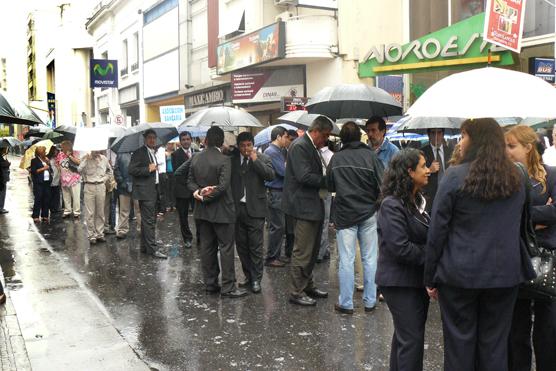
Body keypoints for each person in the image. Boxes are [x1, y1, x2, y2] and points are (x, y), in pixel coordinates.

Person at [425, 118, 535, 371]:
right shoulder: (517, 177)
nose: (460, 142)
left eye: (464, 136)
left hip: (459, 274)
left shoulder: (454, 176)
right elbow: (522, 226)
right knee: (495, 346)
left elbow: (437, 231)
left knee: (459, 345)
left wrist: (430, 276)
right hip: (505, 274)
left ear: (475, 141)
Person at [505, 125, 556, 371]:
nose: (506, 151)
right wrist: (537, 215)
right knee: (517, 333)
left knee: (548, 332)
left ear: (528, 147)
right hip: (516, 260)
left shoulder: (552, 174)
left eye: (511, 145)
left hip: (547, 259)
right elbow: (504, 215)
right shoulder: (506, 179)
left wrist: (525, 215)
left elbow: (555, 212)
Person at [376, 148, 431, 370]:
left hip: (413, 281)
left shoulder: (417, 201)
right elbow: (400, 248)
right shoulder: (392, 204)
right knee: (412, 341)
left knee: (404, 337)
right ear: (409, 171)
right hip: (399, 283)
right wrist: (431, 253)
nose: (428, 171)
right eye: (423, 166)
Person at [328, 122, 384, 314]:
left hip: (345, 215)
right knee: (370, 258)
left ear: (342, 138)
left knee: (346, 259)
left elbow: (330, 185)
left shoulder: (336, 158)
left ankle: (346, 303)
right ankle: (370, 301)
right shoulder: (370, 156)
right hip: (368, 213)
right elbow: (382, 183)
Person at [187, 126, 247, 298]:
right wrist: (207, 195)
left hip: (202, 212)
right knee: (227, 248)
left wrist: (199, 193)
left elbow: (189, 181)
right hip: (223, 212)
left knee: (207, 248)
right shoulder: (224, 160)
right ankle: (228, 287)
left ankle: (210, 283)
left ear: (206, 140)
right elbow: (222, 186)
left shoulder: (196, 157)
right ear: (221, 141)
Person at [283, 116, 333, 306]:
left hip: (312, 204)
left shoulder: (311, 146)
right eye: (326, 135)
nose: (326, 140)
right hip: (303, 206)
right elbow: (304, 176)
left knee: (312, 250)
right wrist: (327, 180)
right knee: (303, 250)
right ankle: (296, 291)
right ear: (317, 131)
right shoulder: (301, 146)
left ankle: (308, 284)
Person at [231, 132, 275, 293]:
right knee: (242, 246)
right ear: (238, 146)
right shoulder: (233, 160)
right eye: (242, 146)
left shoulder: (262, 158)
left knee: (256, 247)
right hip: (237, 210)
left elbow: (270, 175)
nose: (246, 149)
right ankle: (248, 276)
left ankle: (257, 279)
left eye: (248, 145)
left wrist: (255, 160)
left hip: (256, 209)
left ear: (253, 144)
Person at [129, 129, 168, 259]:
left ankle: (145, 247)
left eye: (154, 137)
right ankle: (152, 249)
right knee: (149, 221)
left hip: (153, 189)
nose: (152, 140)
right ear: (145, 139)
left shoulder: (152, 152)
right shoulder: (139, 152)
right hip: (144, 191)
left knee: (148, 220)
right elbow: (132, 169)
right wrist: (147, 169)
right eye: (150, 137)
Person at [263, 126, 289, 268]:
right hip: (275, 192)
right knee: (277, 226)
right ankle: (272, 257)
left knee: (279, 226)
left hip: (279, 192)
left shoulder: (278, 151)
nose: (287, 140)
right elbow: (283, 172)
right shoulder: (272, 152)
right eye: (285, 137)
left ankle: (276, 255)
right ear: (278, 137)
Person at [79, 150, 112, 244]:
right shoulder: (85, 158)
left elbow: (109, 171)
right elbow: (79, 170)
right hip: (89, 185)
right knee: (90, 213)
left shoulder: (104, 159)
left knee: (100, 212)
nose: (97, 151)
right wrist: (86, 159)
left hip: (101, 186)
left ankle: (100, 234)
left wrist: (104, 179)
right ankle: (91, 235)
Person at [172, 131, 197, 249]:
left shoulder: (197, 153)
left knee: (199, 216)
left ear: (191, 140)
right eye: (183, 139)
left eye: (188, 139)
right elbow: (177, 173)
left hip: (196, 190)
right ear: (180, 141)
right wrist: (189, 184)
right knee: (183, 216)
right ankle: (187, 238)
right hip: (182, 190)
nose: (186, 141)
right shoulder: (175, 155)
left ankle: (201, 238)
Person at [421, 128, 454, 212]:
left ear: (443, 134)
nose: (436, 136)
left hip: (448, 194)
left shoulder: (451, 152)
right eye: (433, 133)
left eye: (439, 132)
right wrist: (429, 170)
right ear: (429, 135)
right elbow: (417, 175)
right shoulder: (422, 153)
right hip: (430, 197)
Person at [114, 152, 141, 239]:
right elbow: (116, 169)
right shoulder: (121, 154)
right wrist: (121, 181)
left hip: (137, 186)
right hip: (124, 186)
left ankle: (142, 229)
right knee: (124, 210)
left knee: (139, 209)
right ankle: (122, 230)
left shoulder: (140, 153)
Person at [317, 141, 334, 262]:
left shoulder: (314, 153)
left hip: (318, 189)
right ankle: (325, 249)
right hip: (326, 190)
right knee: (324, 220)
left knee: (321, 221)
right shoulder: (332, 155)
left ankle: (320, 253)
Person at [56, 140, 81, 219]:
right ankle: (67, 211)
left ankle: (76, 212)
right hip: (64, 178)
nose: (61, 148)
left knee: (75, 196)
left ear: (67, 146)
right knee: (66, 196)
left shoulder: (75, 152)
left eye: (62, 146)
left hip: (74, 178)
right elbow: (58, 163)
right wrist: (59, 170)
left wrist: (70, 156)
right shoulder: (60, 154)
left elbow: (79, 162)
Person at [30, 146, 52, 223]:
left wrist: (48, 163)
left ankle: (45, 215)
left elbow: (50, 169)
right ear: (40, 153)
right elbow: (33, 171)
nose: (45, 153)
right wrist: (43, 168)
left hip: (47, 182)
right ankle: (36, 216)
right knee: (38, 199)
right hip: (39, 182)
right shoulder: (34, 160)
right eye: (44, 152)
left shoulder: (46, 160)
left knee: (46, 198)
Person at [103, 149, 117, 235]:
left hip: (110, 183)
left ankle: (110, 225)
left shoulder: (114, 152)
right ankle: (106, 226)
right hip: (104, 183)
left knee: (110, 205)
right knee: (105, 206)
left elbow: (111, 171)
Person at [47, 146, 62, 213]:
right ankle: (52, 207)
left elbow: (59, 169)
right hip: (51, 179)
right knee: (52, 194)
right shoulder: (48, 159)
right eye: (55, 150)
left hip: (57, 178)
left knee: (56, 194)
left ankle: (56, 207)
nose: (57, 152)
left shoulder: (57, 159)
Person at [155, 145, 168, 216]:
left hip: (161, 173)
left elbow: (161, 161)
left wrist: (154, 160)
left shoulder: (161, 149)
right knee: (158, 191)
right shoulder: (157, 150)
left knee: (161, 192)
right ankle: (160, 208)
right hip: (158, 173)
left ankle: (163, 209)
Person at [165, 143, 176, 211]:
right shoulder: (164, 153)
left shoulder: (174, 153)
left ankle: (174, 204)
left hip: (173, 172)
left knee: (173, 189)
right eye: (169, 144)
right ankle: (168, 205)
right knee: (167, 189)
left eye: (172, 144)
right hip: (167, 172)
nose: (171, 145)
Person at [0, 147, 10, 214]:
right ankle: (1, 208)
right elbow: (2, 164)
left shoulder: (2, 156)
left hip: (2, 177)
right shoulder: (1, 157)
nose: (6, 149)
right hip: (2, 178)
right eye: (5, 148)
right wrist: (7, 163)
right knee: (2, 193)